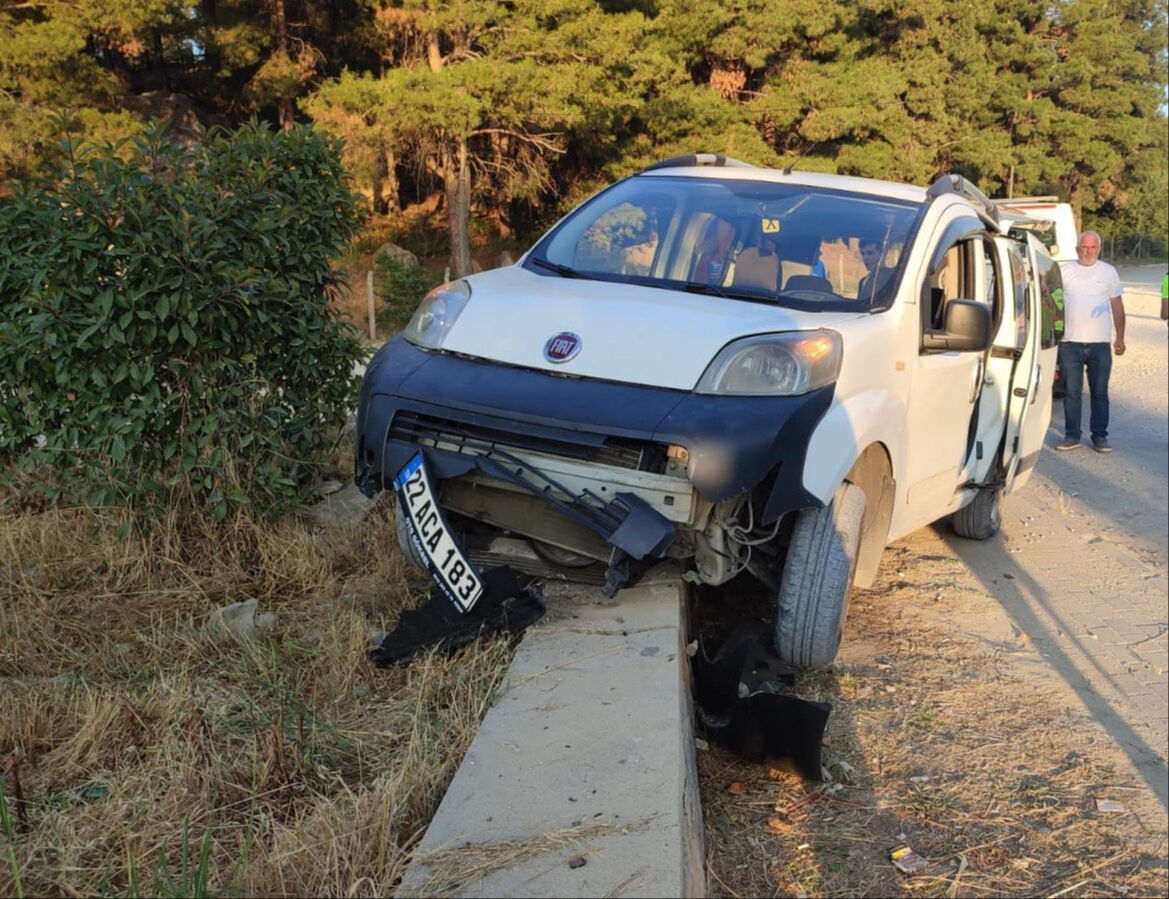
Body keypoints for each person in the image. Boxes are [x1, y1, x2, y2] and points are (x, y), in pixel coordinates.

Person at [1054, 230, 1125, 453]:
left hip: (1100, 344)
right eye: (1084, 247)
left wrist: (1120, 338)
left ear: (1099, 249)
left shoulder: (1108, 272)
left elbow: (1117, 305)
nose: (1088, 251)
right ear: (1077, 248)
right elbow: (1054, 305)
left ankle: (1100, 436)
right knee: (1072, 393)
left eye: (1093, 247)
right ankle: (1072, 435)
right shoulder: (1064, 272)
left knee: (1100, 393)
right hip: (1070, 343)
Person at [691, 217, 735, 285]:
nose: (728, 246)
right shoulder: (698, 263)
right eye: (726, 240)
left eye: (730, 241)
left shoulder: (730, 264)